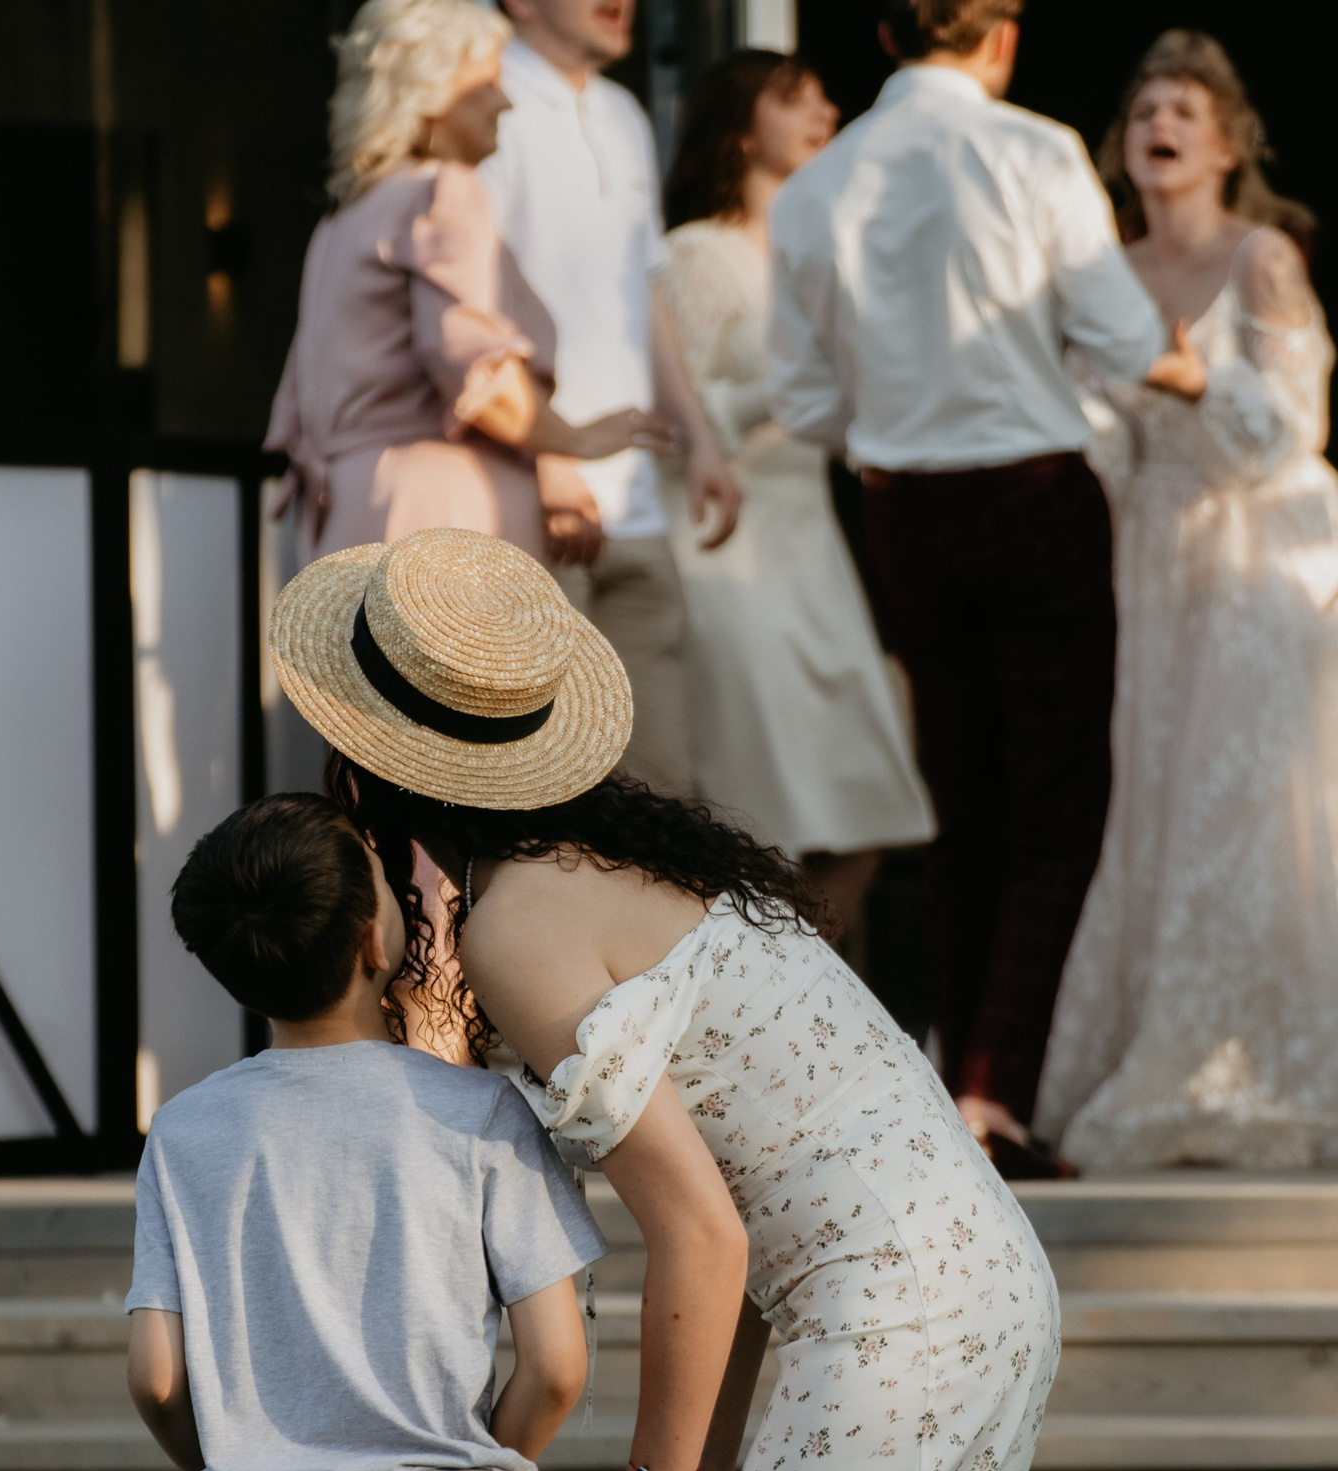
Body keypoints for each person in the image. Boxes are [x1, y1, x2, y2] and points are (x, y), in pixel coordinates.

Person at [268, 527, 1060, 1471]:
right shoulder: (611, 864)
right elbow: (746, 1203)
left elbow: (704, 1234)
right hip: (962, 1298)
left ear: (369, 768)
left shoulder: (517, 924)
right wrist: (710, 1462)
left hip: (902, 1326)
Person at [768, 0, 1186, 1168]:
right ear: (998, 36)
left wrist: (895, 426)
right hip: (1030, 490)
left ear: (889, 39)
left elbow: (800, 401)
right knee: (1056, 809)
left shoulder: (816, 186)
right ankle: (989, 1097)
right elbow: (1120, 336)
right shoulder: (1032, 150)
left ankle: (965, 1083)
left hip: (905, 505)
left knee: (960, 808)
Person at [1036, 33, 1338, 1171]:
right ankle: (1159, 1048)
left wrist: (1191, 377)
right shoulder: (1104, 273)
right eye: (1144, 108)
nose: (1158, 126)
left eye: (1183, 112)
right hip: (1156, 554)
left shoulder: (1264, 256)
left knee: (1262, 804)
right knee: (1159, 801)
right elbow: (1094, 435)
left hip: (1266, 554)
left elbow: (1292, 429)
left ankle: (1290, 1062)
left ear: (1226, 144)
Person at [126, 791, 605, 1471]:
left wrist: (251, 1469)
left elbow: (155, 1377)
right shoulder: (478, 1112)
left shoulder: (184, 1133)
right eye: (387, 879)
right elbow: (556, 1365)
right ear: (375, 944)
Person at [655, 51, 935, 937]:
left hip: (812, 546)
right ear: (742, 129)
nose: (823, 109)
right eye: (793, 98)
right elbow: (674, 417)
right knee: (764, 814)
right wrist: (791, 382)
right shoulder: (695, 254)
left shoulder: (826, 254)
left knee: (867, 809)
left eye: (824, 94)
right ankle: (767, 1017)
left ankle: (803, 999)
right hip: (725, 552)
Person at [265, 0, 657, 567]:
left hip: (350, 514)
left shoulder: (342, 220)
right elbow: (469, 366)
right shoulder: (444, 191)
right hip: (447, 520)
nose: (505, 100)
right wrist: (574, 440)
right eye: (490, 82)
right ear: (432, 95)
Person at [477, 0, 742, 798]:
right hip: (537, 502)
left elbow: (645, 295)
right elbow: (478, 300)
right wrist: (549, 455)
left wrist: (702, 439)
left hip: (636, 507)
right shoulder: (490, 100)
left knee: (661, 792)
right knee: (549, 789)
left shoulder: (626, 112)